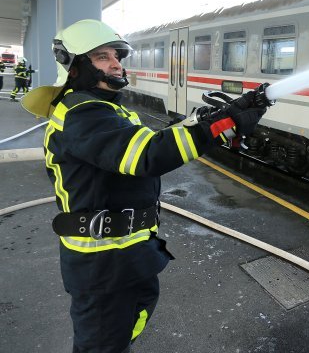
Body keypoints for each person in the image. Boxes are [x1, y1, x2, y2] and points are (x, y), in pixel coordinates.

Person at [43, 19, 267, 352]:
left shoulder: (106, 109)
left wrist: (212, 121)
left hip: (128, 254)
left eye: (117, 55)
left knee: (126, 326)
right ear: (74, 68)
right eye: (102, 57)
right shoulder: (82, 113)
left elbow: (150, 141)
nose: (116, 63)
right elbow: (148, 154)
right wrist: (222, 124)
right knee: (102, 343)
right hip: (102, 264)